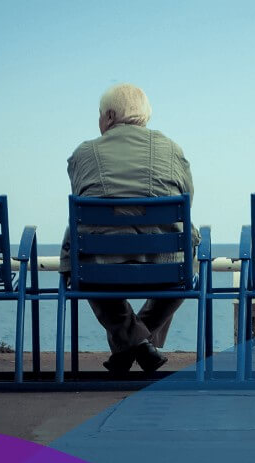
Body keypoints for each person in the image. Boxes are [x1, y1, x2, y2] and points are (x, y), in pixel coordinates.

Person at [59, 83, 198, 374]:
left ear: (109, 116)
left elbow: (83, 204)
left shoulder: (83, 154)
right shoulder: (172, 149)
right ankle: (142, 344)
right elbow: (187, 201)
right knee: (188, 256)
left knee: (83, 257)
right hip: (165, 266)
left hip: (99, 268)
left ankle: (132, 343)